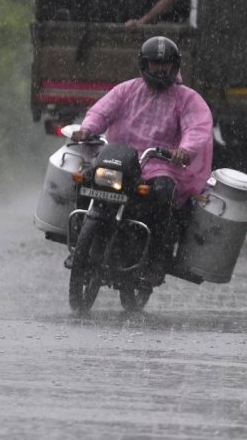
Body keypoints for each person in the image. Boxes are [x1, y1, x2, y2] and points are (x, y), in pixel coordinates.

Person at [71, 36, 213, 281]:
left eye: (165, 63)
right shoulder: (127, 89)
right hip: (121, 157)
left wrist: (184, 151)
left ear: (175, 65)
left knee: (162, 192)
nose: (160, 68)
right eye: (154, 63)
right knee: (85, 180)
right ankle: (78, 245)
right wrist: (88, 128)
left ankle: (155, 259)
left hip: (161, 164)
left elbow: (197, 128)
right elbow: (102, 110)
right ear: (144, 64)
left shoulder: (187, 98)